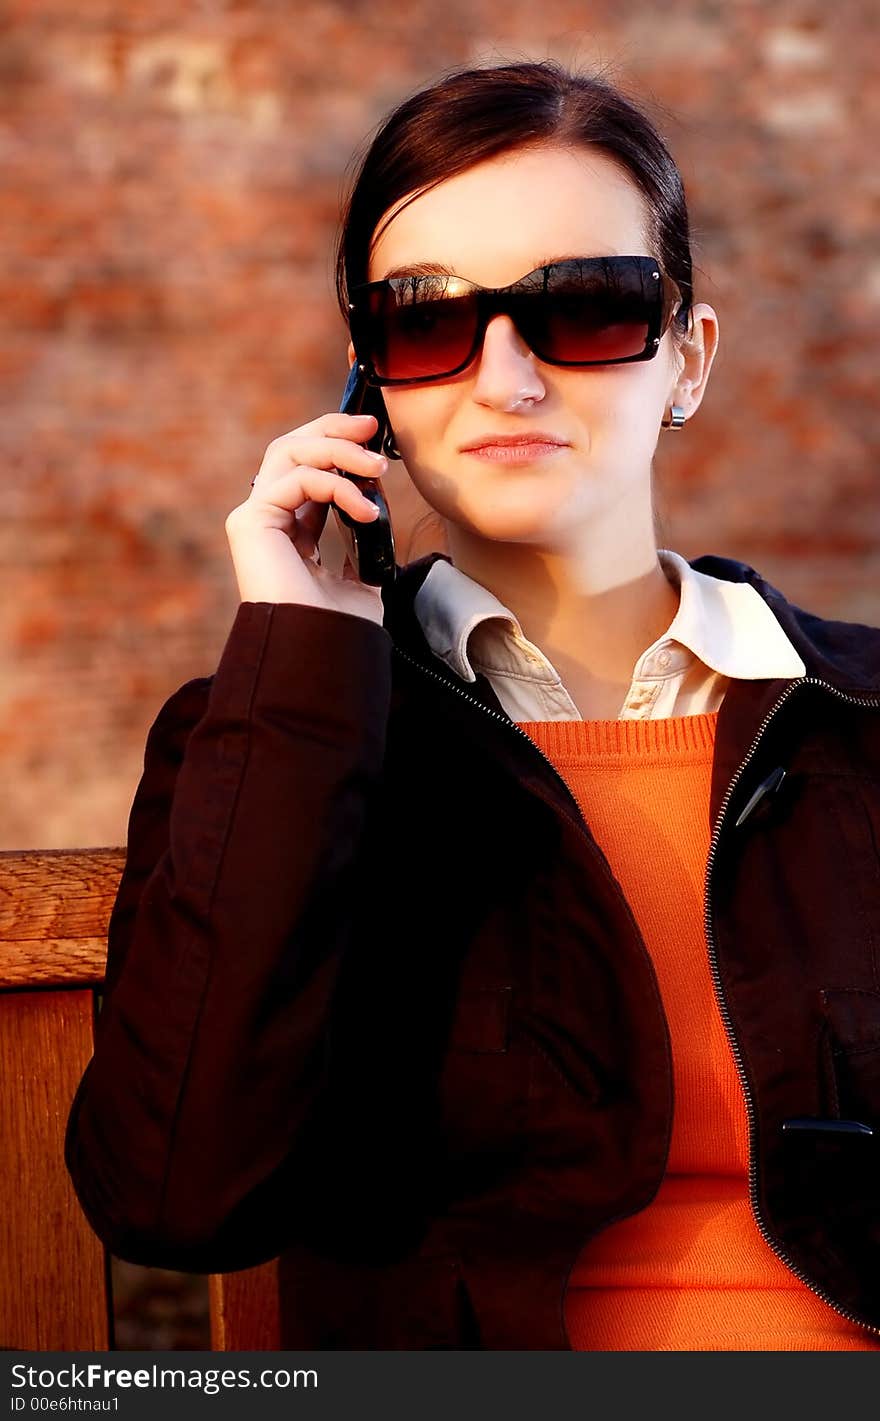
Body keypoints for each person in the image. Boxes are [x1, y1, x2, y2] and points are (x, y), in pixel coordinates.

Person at [65, 60, 880, 1351]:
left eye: (591, 305)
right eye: (428, 321)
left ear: (689, 357)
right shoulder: (286, 734)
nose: (504, 377)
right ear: (369, 385)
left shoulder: (860, 721)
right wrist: (304, 659)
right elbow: (172, 1192)